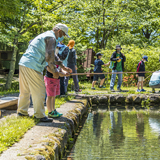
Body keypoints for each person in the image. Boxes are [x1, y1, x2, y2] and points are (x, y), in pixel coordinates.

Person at [17, 23, 72, 122]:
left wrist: (63, 66)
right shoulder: (52, 38)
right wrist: (55, 71)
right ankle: (39, 115)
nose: (63, 37)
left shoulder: (46, 35)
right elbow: (49, 56)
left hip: (24, 63)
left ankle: (22, 112)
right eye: (63, 34)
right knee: (40, 91)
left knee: (25, 90)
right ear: (59, 31)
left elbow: (54, 56)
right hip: (33, 65)